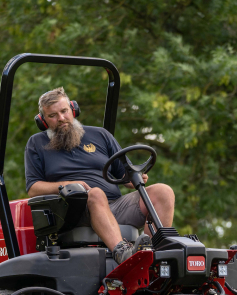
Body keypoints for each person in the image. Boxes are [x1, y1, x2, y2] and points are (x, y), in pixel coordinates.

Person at [25, 87, 175, 264]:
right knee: (95, 193)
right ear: (43, 120)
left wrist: (135, 177)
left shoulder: (100, 135)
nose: (61, 118)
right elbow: (33, 188)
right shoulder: (36, 143)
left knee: (163, 192)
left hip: (116, 206)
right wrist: (70, 185)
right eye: (53, 115)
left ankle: (153, 253)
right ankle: (123, 253)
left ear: (73, 109)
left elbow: (124, 176)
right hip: (75, 210)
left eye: (64, 111)